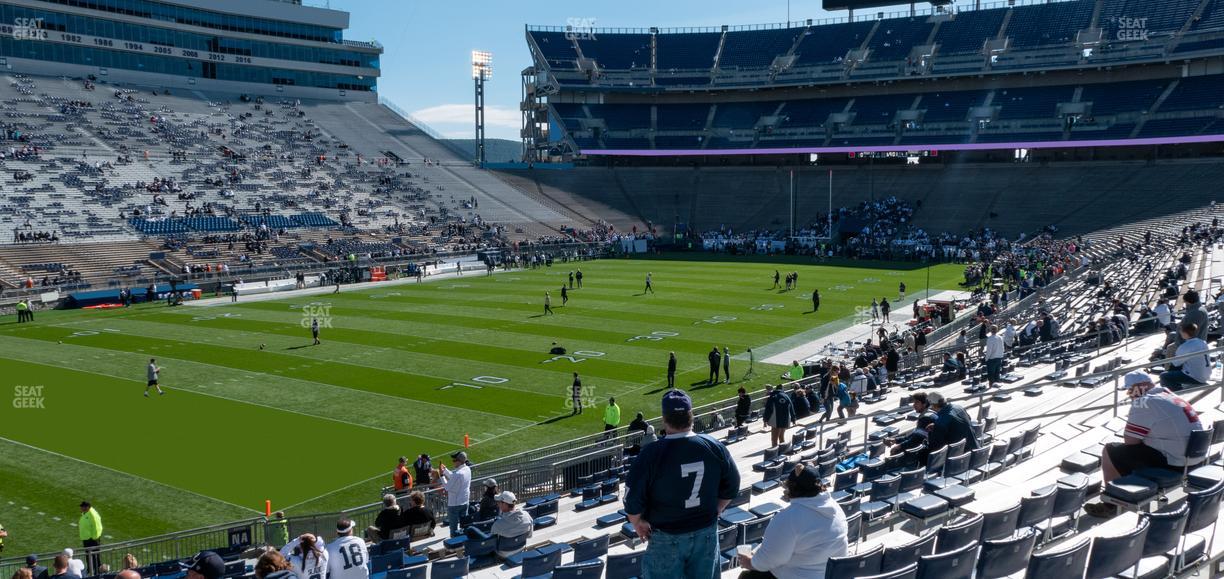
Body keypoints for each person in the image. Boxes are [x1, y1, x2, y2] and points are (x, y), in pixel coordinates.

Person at [625, 390, 741, 578]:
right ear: (691, 416)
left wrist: (637, 522)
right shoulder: (713, 445)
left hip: (666, 536)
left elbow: (632, 498)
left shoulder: (651, 453)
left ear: (664, 419)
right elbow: (733, 485)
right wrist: (718, 509)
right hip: (706, 533)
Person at [1086, 371, 1206, 517]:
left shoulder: (1145, 402)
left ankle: (1112, 503)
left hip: (1175, 464)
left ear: (1141, 386)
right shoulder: (1169, 395)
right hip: (1194, 460)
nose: (1130, 394)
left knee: (1111, 450)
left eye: (1131, 389)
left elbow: (1130, 441)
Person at [737, 464, 848, 579]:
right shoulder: (836, 508)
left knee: (747, 576)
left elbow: (771, 560)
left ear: (792, 488)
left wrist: (750, 562)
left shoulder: (788, 517)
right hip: (833, 574)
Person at [887, 393, 938, 465]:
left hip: (928, 454)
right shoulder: (932, 413)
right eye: (914, 402)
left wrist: (899, 446)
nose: (914, 405)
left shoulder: (926, 418)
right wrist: (896, 440)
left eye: (917, 402)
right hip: (934, 451)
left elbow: (916, 439)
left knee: (895, 451)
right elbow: (914, 435)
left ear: (924, 404)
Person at [1160, 323, 1211, 391]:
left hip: (1196, 377)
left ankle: (1177, 392)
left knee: (1164, 376)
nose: (1180, 333)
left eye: (1181, 331)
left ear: (1185, 333)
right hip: (1206, 375)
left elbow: (1175, 364)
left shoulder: (1185, 346)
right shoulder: (1202, 342)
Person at [490, 491, 533, 559]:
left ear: (504, 504)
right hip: (521, 548)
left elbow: (492, 543)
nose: (497, 504)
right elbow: (529, 535)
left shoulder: (498, 524)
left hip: (503, 554)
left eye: (499, 502)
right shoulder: (527, 516)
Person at [439, 451, 472, 536]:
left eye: (454, 460)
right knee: (464, 525)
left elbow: (447, 487)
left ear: (459, 461)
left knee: (453, 528)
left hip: (454, 504)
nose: (453, 462)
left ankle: (454, 545)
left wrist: (442, 475)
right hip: (465, 501)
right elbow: (454, 478)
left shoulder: (458, 473)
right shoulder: (467, 469)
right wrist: (445, 471)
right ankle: (463, 541)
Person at [78, 502, 102, 574]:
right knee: (90, 557)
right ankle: (92, 570)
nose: (80, 508)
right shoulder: (86, 513)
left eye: (82, 507)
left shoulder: (92, 515)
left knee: (94, 557)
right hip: (87, 538)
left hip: (91, 539)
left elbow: (97, 526)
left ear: (86, 507)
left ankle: (97, 572)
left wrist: (94, 538)